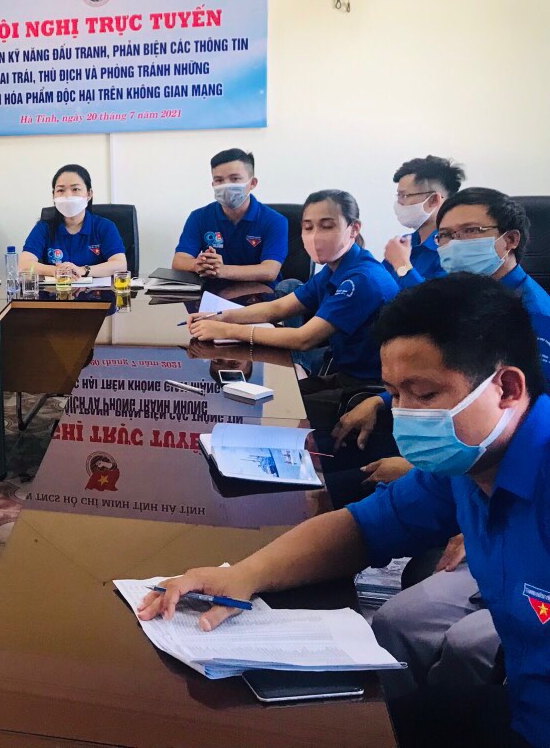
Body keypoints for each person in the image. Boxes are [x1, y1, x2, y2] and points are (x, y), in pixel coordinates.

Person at [139, 275, 550, 748]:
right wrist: (243, 575)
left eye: (424, 394)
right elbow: (363, 528)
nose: (405, 414)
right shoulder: (466, 466)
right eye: (395, 393)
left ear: (507, 388)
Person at [337, 188, 550, 454]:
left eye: (471, 231)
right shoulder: (465, 294)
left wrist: (416, 467)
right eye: (446, 235)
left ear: (510, 240)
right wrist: (382, 400)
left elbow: (532, 412)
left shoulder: (535, 315)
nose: (455, 244)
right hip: (430, 422)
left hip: (483, 451)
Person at [187, 190, 399, 387]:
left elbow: (303, 339)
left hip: (368, 385)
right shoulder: (336, 268)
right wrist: (220, 316)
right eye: (308, 227)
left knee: (280, 401)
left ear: (354, 229)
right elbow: (277, 308)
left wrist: (226, 331)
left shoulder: (361, 280)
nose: (315, 235)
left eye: (327, 226)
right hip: (342, 366)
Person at [172, 148, 289, 284]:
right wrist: (199, 264)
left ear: (252, 183)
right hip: (213, 292)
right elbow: (179, 261)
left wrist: (221, 270)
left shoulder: (275, 220)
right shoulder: (198, 217)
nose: (226, 185)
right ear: (213, 184)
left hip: (262, 293)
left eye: (234, 179)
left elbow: (270, 270)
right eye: (219, 180)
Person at [18, 164, 127, 278]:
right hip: (56, 288)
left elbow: (120, 265)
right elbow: (24, 264)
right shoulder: (44, 228)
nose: (68, 195)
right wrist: (57, 271)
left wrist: (82, 270)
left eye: (75, 189)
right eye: (61, 190)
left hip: (97, 289)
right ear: (54, 196)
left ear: (89, 194)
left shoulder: (105, 227)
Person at [382, 155, 465, 289]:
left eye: (404, 195)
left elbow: (435, 300)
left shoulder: (455, 250)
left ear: (434, 200)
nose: (399, 203)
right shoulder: (404, 243)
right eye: (398, 196)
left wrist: (402, 265)